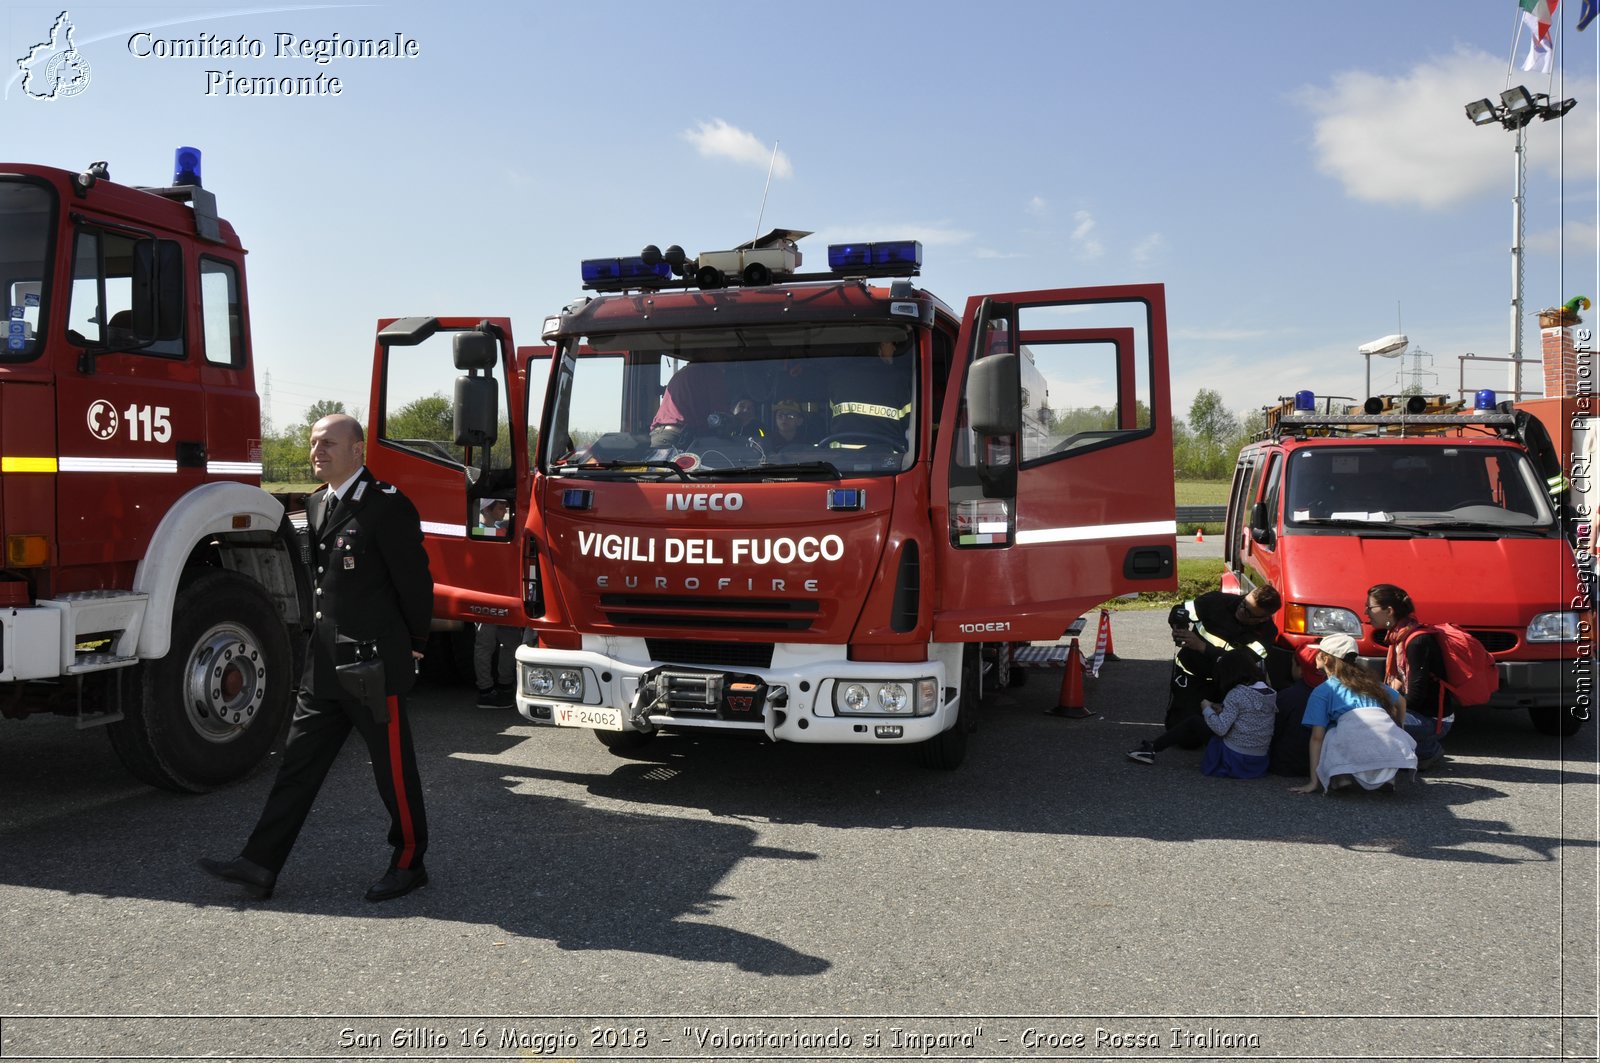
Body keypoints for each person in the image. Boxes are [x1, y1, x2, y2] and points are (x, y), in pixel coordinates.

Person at [199, 413, 435, 902]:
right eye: (312, 443)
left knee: (392, 771)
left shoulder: (386, 507)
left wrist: (415, 646)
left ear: (357, 450)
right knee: (297, 767)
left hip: (372, 665)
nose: (316, 451)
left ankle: (409, 862)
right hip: (324, 665)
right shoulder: (316, 503)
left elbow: (415, 584)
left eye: (328, 443)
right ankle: (260, 863)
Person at [1290, 633, 1416, 795]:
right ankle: (1387, 778)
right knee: (1378, 730)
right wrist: (1399, 725)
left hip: (1353, 739)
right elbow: (1401, 702)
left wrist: (1313, 781)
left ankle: (1340, 777)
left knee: (1331, 730)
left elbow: (1317, 737)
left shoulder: (1323, 691)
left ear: (1326, 659)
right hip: (1390, 745)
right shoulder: (1371, 683)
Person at [1127, 648, 1276, 778]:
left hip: (1234, 761)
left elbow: (1220, 729)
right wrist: (1220, 708)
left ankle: (1152, 748)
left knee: (1194, 721)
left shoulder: (1236, 693)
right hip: (1258, 761)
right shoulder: (1270, 692)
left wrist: (1206, 708)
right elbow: (1249, 715)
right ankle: (1152, 747)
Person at [1164, 584, 1281, 745]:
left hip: (1226, 685)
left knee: (1221, 735)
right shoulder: (1216, 601)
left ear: (1263, 618)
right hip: (1192, 673)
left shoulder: (1267, 634)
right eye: (1243, 603)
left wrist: (1203, 648)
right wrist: (1179, 627)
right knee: (1185, 739)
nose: (1241, 610)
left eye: (1248, 612)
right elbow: (1180, 610)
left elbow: (1241, 663)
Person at [1367, 583, 1452, 771]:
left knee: (1373, 721)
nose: (1366, 613)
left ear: (1388, 611)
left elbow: (1415, 698)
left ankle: (1427, 749)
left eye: (1370, 607)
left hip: (1434, 720)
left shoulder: (1417, 642)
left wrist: (1381, 708)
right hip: (1420, 713)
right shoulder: (1398, 637)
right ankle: (1413, 748)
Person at [473, 498, 518, 709]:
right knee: (486, 644)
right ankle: (485, 691)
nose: (505, 510)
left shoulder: (501, 529)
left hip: (505, 595)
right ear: (487, 509)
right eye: (501, 507)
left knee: (510, 642)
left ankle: (505, 686)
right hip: (486, 595)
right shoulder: (478, 531)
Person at [825, 339, 914, 444]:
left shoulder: (837, 377)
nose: (894, 349)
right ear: (883, 343)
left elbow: (828, 420)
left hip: (839, 458)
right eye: (892, 343)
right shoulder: (898, 379)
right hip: (886, 457)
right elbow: (910, 425)